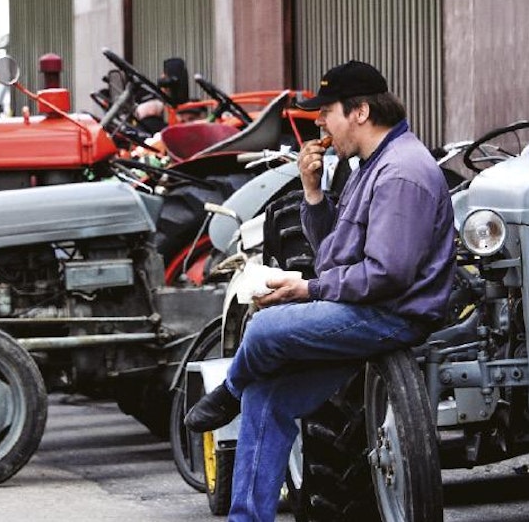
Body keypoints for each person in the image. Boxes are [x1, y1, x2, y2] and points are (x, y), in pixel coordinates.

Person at [184, 61, 455, 521]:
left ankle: (229, 387)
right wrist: (313, 193)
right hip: (363, 312)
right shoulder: (368, 166)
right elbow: (337, 254)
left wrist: (305, 289)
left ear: (361, 111)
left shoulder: (400, 172)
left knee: (266, 329)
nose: (320, 123)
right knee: (267, 398)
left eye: (326, 111)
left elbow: (386, 275)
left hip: (390, 317)